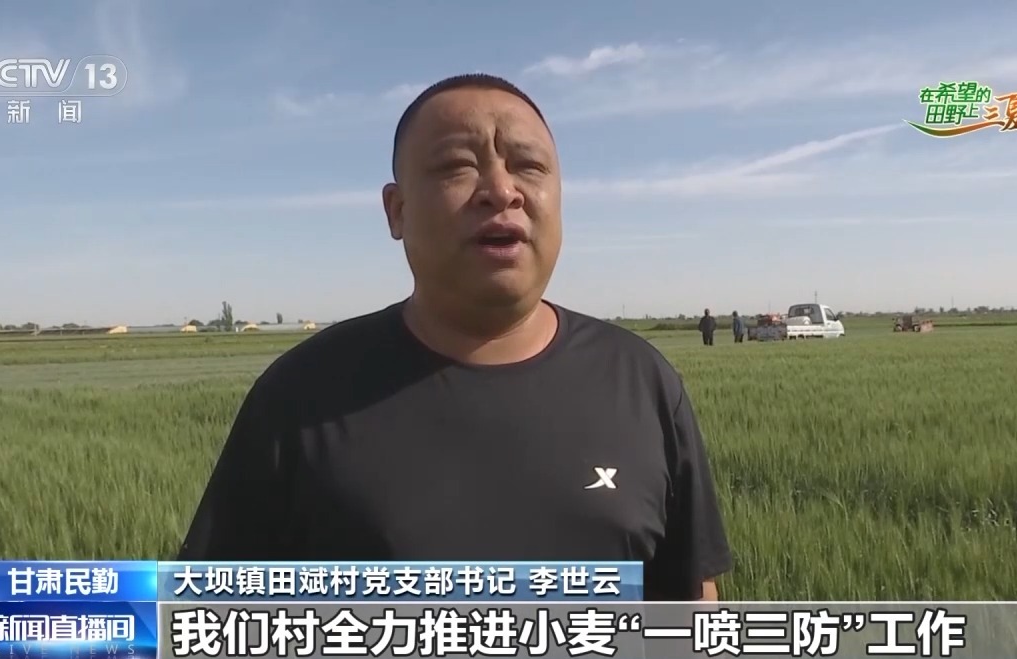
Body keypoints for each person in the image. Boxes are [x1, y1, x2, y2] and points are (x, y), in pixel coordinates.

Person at [177, 73, 733, 601]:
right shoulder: (300, 395)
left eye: (529, 166)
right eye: (456, 167)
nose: (501, 190)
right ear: (396, 211)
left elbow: (690, 601)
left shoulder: (640, 381)